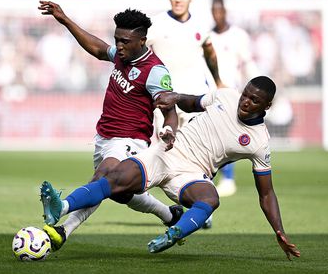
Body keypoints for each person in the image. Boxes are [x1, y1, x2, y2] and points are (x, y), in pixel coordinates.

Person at [39, 76, 301, 259]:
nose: (245, 102)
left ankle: (175, 233)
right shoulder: (226, 96)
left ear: (267, 106)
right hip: (168, 151)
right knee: (115, 178)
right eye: (245, 95)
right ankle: (60, 207)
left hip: (193, 173)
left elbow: (266, 194)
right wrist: (175, 97)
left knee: (210, 199)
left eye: (254, 100)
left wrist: (279, 230)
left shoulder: (260, 142)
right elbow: (193, 102)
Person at [37, 0, 183, 251]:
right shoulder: (124, 56)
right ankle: (170, 215)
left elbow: (170, 109)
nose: (119, 46)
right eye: (117, 39)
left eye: (125, 41)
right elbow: (98, 49)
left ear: (142, 41)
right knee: (119, 193)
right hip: (104, 136)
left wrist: (169, 130)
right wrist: (66, 20)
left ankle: (63, 223)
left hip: (130, 140)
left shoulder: (155, 71)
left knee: (101, 178)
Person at [146, 0, 223, 228]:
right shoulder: (155, 24)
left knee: (203, 155)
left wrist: (219, 81)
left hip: (195, 100)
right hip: (165, 103)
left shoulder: (201, 25)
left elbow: (209, 51)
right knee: (169, 154)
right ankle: (190, 203)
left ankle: (203, 205)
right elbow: (140, 54)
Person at [209, 0, 261, 197]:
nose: (218, 15)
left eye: (220, 10)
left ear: (225, 11)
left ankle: (228, 178)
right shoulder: (208, 37)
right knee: (215, 137)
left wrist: (259, 86)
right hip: (212, 94)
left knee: (228, 136)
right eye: (214, 11)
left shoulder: (238, 35)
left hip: (234, 93)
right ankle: (218, 177)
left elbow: (248, 63)